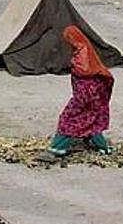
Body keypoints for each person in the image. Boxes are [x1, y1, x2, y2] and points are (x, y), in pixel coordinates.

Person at [46, 26, 115, 158]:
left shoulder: (82, 56)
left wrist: (79, 102)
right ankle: (103, 147)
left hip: (85, 96)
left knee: (69, 120)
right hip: (93, 96)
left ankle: (57, 148)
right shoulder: (85, 51)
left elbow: (84, 73)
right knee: (92, 122)